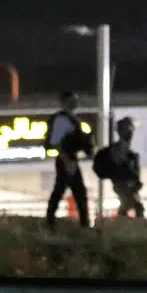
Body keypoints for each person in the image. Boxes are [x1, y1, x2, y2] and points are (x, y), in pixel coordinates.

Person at [46, 92, 91, 228]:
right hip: (66, 159)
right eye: (72, 100)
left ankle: (52, 220)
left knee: (72, 191)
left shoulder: (71, 118)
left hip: (69, 159)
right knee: (68, 190)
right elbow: (56, 142)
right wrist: (67, 161)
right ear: (64, 102)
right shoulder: (63, 119)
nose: (75, 103)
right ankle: (51, 220)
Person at [93, 117, 144, 218]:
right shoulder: (119, 151)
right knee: (133, 205)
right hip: (122, 183)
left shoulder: (128, 153)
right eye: (128, 129)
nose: (130, 133)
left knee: (129, 204)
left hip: (125, 183)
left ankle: (123, 222)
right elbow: (120, 168)